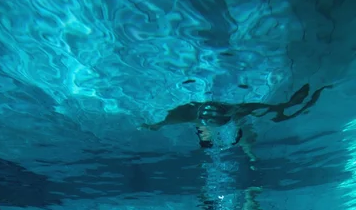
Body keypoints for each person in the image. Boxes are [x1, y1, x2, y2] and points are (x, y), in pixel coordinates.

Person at [141, 83, 331, 150]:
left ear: (200, 130)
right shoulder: (237, 112)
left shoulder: (185, 116)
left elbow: (164, 121)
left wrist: (155, 125)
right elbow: (280, 107)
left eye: (206, 133)